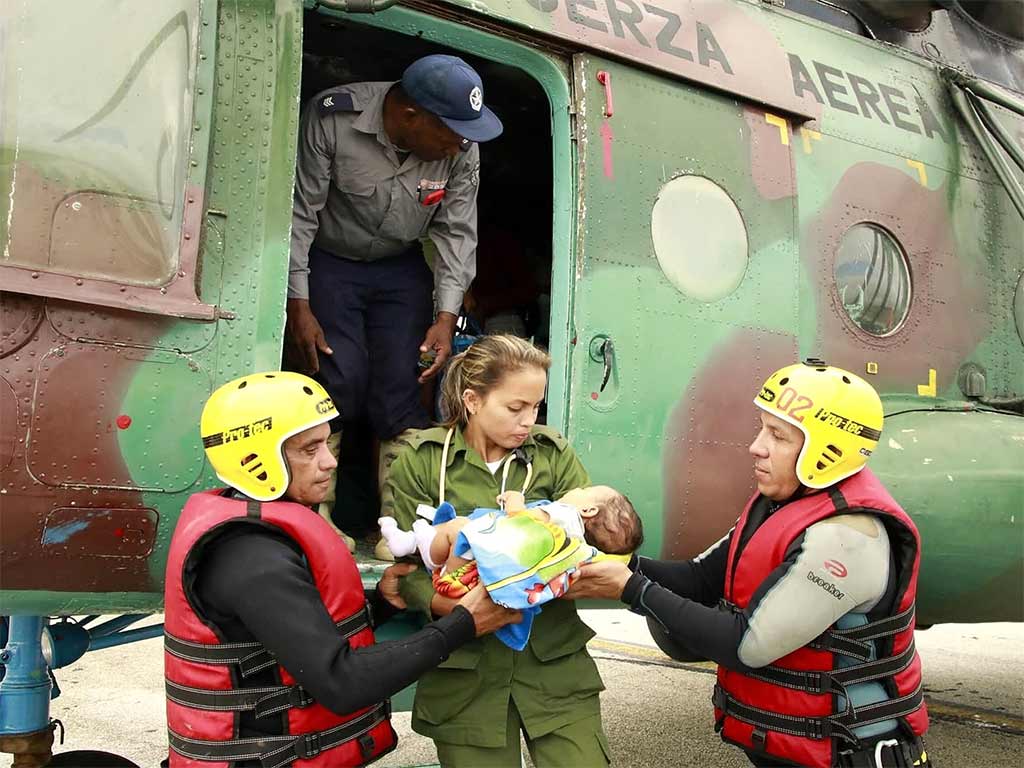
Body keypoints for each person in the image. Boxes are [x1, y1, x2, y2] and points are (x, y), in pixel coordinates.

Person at [566, 361, 931, 768]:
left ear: (826, 450)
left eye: (777, 435)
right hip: (801, 748)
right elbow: (702, 579)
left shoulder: (845, 536)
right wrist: (617, 562)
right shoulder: (780, 504)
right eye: (762, 428)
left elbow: (747, 645)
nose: (756, 446)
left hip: (847, 751)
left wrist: (629, 589)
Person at [163, 371, 521, 768]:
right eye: (309, 449)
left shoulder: (253, 530)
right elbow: (342, 682)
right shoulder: (251, 557)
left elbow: (285, 634)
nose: (330, 461)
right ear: (255, 460)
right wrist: (463, 624)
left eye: (327, 443)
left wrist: (381, 605)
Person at [286, 54, 503, 544]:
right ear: (410, 116)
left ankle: (401, 527)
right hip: (330, 259)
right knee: (335, 375)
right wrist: (297, 302)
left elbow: (455, 232)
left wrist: (446, 317)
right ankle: (316, 520)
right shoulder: (333, 118)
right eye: (450, 131)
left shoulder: (460, 147)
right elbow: (300, 214)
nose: (461, 142)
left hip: (400, 265)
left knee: (406, 381)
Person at [384, 335, 612, 767]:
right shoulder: (422, 460)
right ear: (472, 399)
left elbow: (583, 543)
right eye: (515, 408)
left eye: (536, 407)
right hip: (465, 669)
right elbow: (407, 571)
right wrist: (451, 609)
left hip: (552, 663)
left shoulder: (551, 456)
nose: (528, 421)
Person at [379, 486, 642, 572]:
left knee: (458, 528)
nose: (577, 489)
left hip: (480, 548)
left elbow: (519, 517)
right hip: (491, 562)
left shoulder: (564, 516)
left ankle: (414, 544)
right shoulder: (577, 546)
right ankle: (419, 542)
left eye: (584, 491)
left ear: (588, 511)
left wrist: (515, 498)